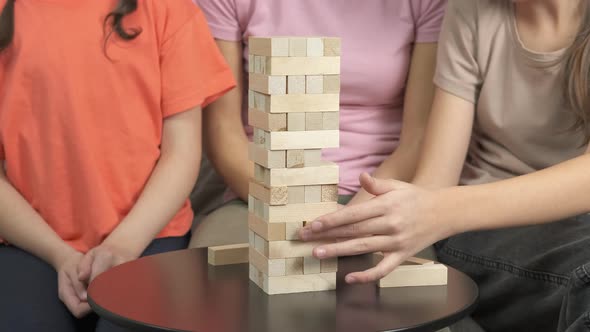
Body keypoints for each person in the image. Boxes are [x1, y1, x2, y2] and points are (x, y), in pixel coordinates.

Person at [299, 0, 590, 331]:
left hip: (565, 227)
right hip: (482, 226)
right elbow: (436, 177)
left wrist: (436, 210)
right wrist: (343, 229)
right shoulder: (470, 10)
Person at [0, 0, 235, 331]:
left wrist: (122, 245)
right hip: (31, 242)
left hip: (149, 236)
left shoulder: (169, 9)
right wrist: (59, 255)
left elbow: (181, 153)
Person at [189, 0, 447, 249]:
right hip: (264, 187)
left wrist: (354, 217)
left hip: (379, 193)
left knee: (399, 288)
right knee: (219, 281)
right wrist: (296, 206)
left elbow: (418, 136)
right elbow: (222, 130)